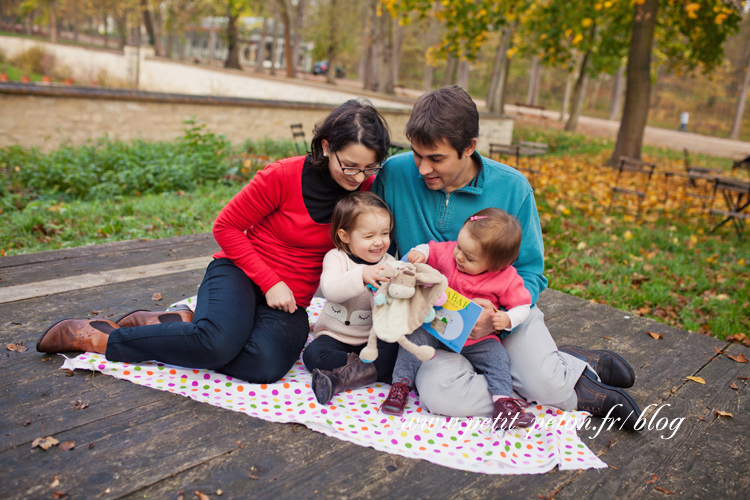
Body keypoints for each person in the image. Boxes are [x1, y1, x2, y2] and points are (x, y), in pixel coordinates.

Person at [36, 98, 391, 384]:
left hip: (290, 300)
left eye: (369, 168)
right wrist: (269, 281)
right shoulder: (282, 176)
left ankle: (182, 325)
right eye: (350, 166)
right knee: (217, 342)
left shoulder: (365, 190)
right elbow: (226, 227)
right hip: (240, 271)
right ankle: (97, 337)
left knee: (264, 366)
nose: (358, 177)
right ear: (327, 147)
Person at [372, 85, 641, 430]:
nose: (423, 168)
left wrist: (498, 315)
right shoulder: (395, 173)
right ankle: (556, 369)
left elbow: (530, 271)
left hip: (500, 311)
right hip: (433, 324)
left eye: (436, 158)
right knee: (441, 396)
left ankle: (572, 384)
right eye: (416, 154)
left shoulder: (513, 187)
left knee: (546, 383)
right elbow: (371, 236)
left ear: (469, 147)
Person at [380, 208, 536, 430]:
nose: (459, 256)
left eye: (469, 257)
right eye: (459, 246)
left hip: (476, 338)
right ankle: (400, 386)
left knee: (498, 357)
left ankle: (503, 402)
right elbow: (431, 248)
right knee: (412, 339)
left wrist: (508, 319)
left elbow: (522, 306)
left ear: (495, 265)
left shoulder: (506, 278)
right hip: (435, 327)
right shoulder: (450, 253)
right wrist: (420, 254)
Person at [304, 191, 399, 405]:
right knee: (312, 355)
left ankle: (339, 378)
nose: (379, 242)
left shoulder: (390, 263)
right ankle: (369, 370)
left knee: (395, 351)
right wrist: (361, 274)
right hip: (335, 335)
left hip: (371, 338)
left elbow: (390, 310)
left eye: (385, 233)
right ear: (344, 236)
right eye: (369, 236)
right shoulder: (336, 258)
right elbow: (331, 290)